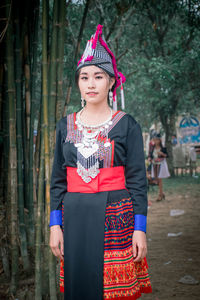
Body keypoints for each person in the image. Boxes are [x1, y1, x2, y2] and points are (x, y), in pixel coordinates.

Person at [49, 24, 152, 300]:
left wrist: (140, 229)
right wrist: (54, 224)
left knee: (113, 292)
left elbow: (138, 182)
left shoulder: (127, 125)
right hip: (74, 219)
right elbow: (57, 180)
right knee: (78, 288)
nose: (91, 83)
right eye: (84, 77)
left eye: (98, 76)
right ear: (78, 84)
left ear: (111, 82)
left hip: (116, 219)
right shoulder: (64, 126)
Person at [148, 132, 170, 201]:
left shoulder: (163, 147)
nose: (155, 141)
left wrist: (162, 154)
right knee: (156, 179)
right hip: (154, 164)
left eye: (156, 139)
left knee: (159, 179)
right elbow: (150, 155)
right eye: (154, 139)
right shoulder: (152, 147)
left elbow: (167, 155)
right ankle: (162, 193)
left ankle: (160, 195)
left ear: (159, 140)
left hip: (161, 164)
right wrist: (149, 158)